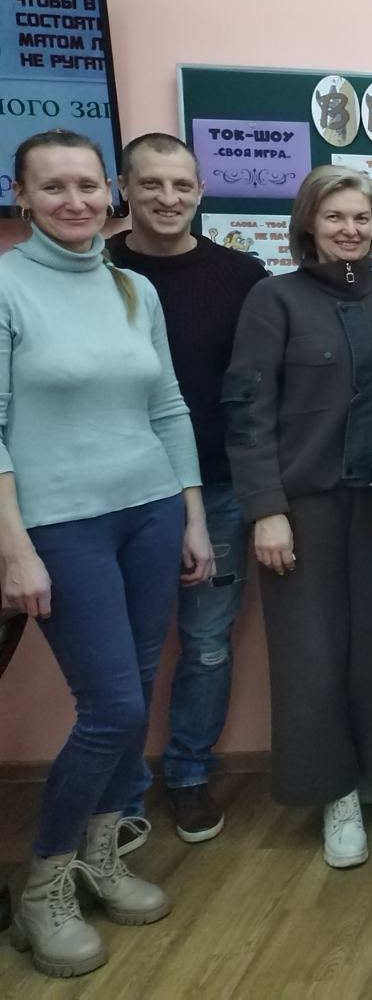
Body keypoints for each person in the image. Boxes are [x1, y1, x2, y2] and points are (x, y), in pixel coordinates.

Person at [1, 130, 213, 978]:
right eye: (54, 187)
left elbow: (168, 407)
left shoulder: (132, 288)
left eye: (88, 185)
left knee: (136, 693)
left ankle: (101, 854)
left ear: (108, 193)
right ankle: (45, 883)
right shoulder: (8, 286)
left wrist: (192, 516)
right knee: (114, 709)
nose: (76, 200)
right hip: (62, 525)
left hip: (151, 512)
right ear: (23, 196)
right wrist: (14, 549)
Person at [223, 164, 372, 870]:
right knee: (310, 657)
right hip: (302, 510)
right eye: (336, 216)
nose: (350, 229)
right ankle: (335, 791)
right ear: (309, 224)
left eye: (362, 218)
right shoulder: (272, 300)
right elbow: (247, 411)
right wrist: (266, 510)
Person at [105, 132, 267, 846]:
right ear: (124, 188)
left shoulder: (242, 276)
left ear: (200, 191)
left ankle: (190, 773)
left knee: (207, 644)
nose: (167, 199)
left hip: (221, 491)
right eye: (151, 184)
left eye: (181, 185)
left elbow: (259, 390)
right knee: (124, 654)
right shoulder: (96, 269)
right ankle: (119, 794)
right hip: (119, 497)